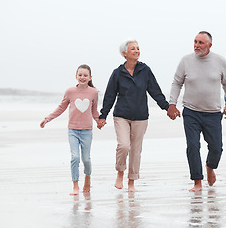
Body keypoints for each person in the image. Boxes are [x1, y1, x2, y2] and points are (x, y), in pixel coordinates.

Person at [97, 39, 169, 192]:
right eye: (133, 49)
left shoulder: (145, 70)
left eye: (138, 48)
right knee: (123, 145)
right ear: (125, 53)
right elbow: (109, 96)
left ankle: (131, 182)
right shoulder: (117, 73)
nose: (136, 51)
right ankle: (120, 172)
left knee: (136, 150)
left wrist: (167, 107)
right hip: (121, 115)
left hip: (141, 116)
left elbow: (155, 91)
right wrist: (103, 116)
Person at [167, 31, 226, 192]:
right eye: (195, 42)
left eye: (201, 43)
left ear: (209, 45)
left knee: (216, 148)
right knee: (192, 146)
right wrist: (172, 104)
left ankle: (210, 167)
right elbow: (177, 83)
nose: (196, 45)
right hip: (191, 111)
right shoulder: (186, 61)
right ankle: (197, 182)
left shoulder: (219, 61)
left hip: (213, 112)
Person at [40, 64, 99, 195]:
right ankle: (75, 185)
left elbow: (94, 111)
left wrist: (99, 121)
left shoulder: (93, 93)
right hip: (73, 130)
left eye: (85, 75)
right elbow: (61, 108)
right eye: (80, 75)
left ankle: (87, 179)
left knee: (86, 159)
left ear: (90, 77)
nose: (82, 77)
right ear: (76, 76)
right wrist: (48, 118)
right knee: (75, 158)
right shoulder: (70, 92)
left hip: (87, 131)